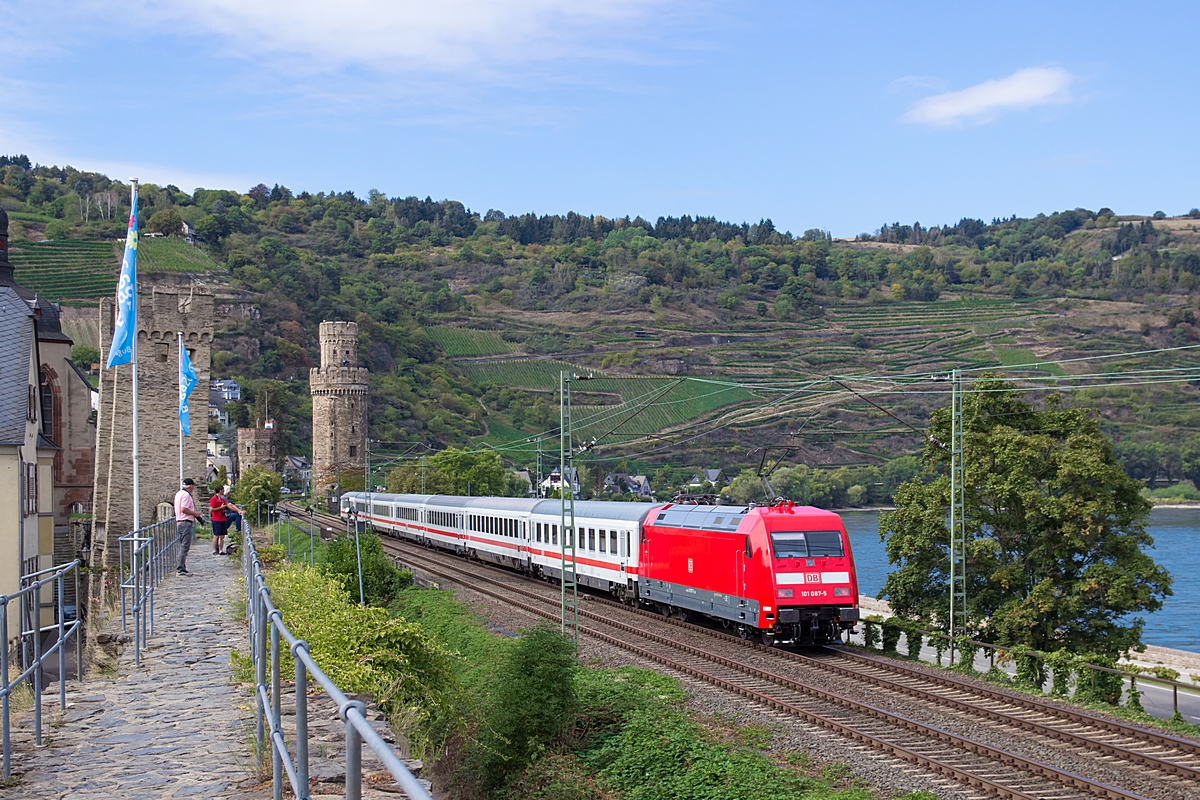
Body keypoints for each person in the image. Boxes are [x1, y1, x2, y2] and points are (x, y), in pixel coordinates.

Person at [173, 478, 204, 576]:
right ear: (190, 486)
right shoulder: (186, 495)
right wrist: (195, 513)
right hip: (185, 522)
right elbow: (184, 509)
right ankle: (180, 568)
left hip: (180, 521)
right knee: (184, 546)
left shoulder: (179, 494)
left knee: (183, 545)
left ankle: (182, 567)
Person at [210, 486, 244, 555]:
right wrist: (221, 508)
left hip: (222, 519)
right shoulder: (213, 499)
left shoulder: (222, 499)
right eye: (223, 490)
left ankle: (220, 550)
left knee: (222, 536)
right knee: (216, 535)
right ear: (220, 490)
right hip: (216, 519)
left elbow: (230, 505)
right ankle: (214, 551)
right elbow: (211, 509)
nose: (223, 491)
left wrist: (238, 510)